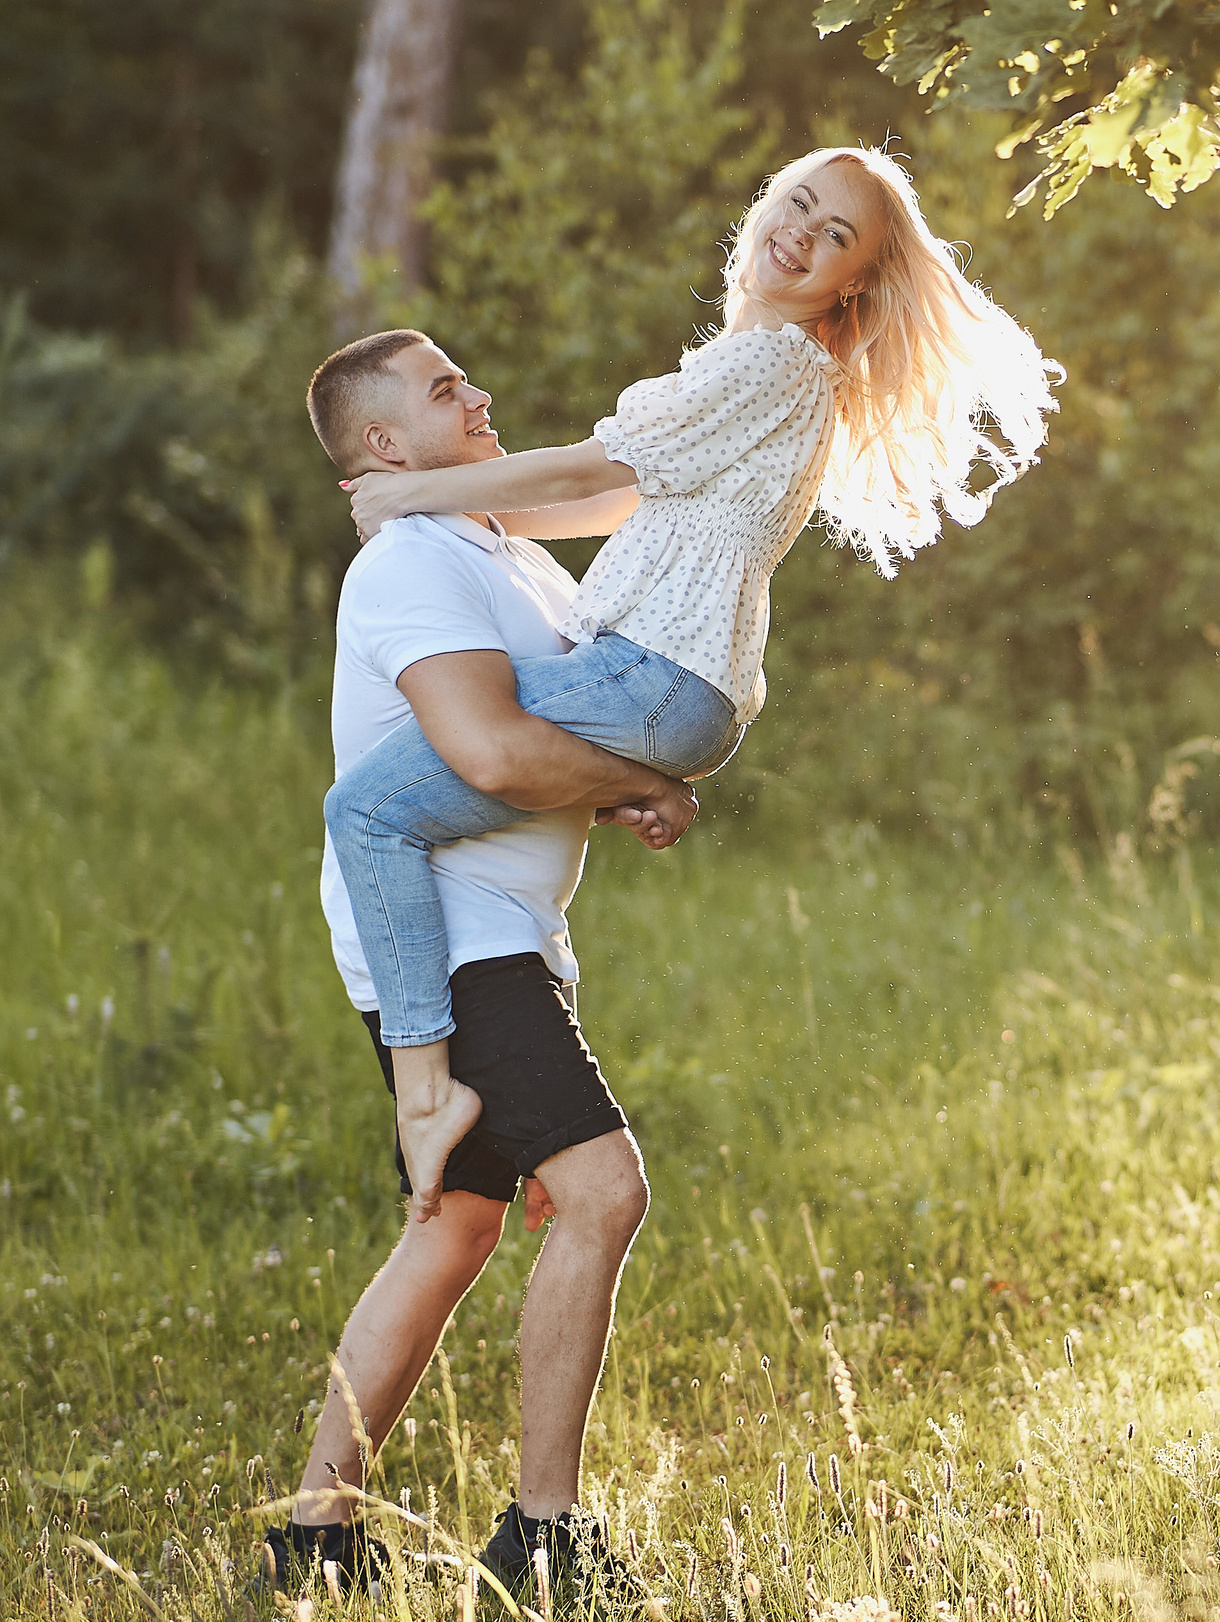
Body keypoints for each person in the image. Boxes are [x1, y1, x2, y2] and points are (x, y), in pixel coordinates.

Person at [329, 145, 1059, 1222]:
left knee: (368, 811)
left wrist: (414, 491)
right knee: (433, 768)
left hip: (653, 675)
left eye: (838, 236)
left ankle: (426, 1091)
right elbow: (608, 504)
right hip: (671, 687)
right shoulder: (766, 366)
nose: (803, 233)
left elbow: (589, 469)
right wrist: (442, 504)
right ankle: (629, 814)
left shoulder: (764, 366)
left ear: (851, 280)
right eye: (800, 204)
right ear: (770, 203)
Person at [262, 327, 688, 1608]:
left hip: (503, 931)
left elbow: (615, 488)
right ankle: (546, 1537)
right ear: (383, 445)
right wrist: (639, 779)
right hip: (450, 940)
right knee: (604, 1190)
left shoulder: (498, 546)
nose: (480, 394)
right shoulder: (407, 565)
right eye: (447, 391)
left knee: (453, 1229)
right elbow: (490, 751)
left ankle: (316, 1536)